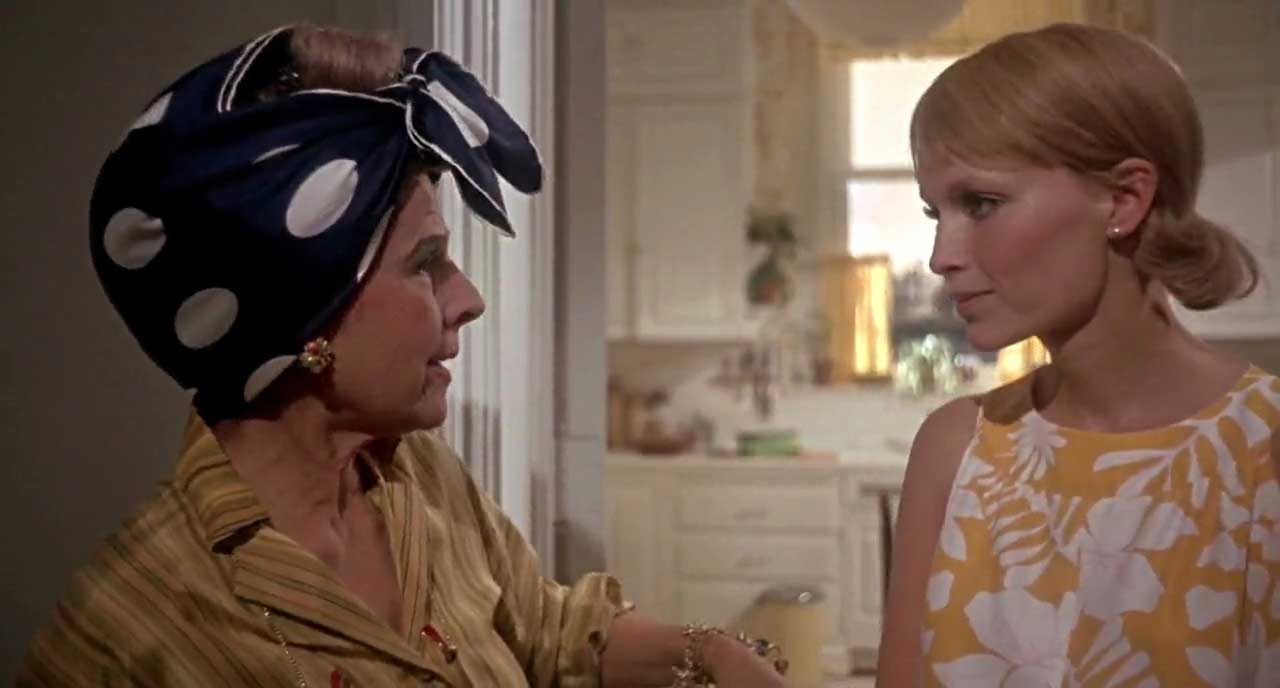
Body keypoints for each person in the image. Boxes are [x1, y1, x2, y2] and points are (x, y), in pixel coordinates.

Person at [18, 24, 787, 687]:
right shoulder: (126, 629)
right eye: (426, 263)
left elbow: (547, 629)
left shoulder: (420, 478)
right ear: (304, 313)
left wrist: (710, 653)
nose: (468, 299)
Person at [877, 22, 1280, 687]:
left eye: (981, 203)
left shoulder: (1263, 451)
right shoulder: (956, 450)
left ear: (1124, 199)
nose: (941, 256)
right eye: (935, 213)